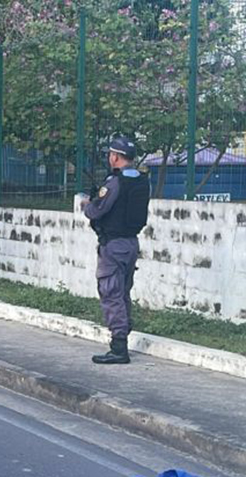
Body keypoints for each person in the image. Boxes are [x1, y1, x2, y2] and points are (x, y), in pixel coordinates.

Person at [80, 136, 150, 364]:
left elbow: (95, 211)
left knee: (111, 293)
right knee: (123, 293)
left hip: (113, 245)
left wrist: (86, 204)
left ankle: (119, 348)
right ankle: (123, 331)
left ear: (115, 156)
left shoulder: (114, 182)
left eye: (111, 154)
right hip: (131, 243)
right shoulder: (141, 179)